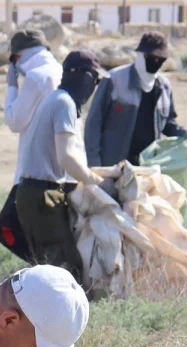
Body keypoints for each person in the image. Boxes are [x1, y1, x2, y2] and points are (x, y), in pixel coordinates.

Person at [15, 49, 110, 293]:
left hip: (35, 193)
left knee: (50, 268)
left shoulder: (56, 100)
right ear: (81, 76)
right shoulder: (64, 103)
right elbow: (66, 156)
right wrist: (93, 181)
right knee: (65, 272)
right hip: (43, 195)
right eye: (94, 79)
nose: (95, 86)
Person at [0, 28, 62, 264]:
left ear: (18, 58)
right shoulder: (59, 71)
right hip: (60, 165)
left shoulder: (35, 77)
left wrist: (12, 86)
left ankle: (42, 269)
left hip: (32, 170)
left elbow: (15, 121)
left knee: (6, 227)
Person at [85, 33, 187, 169]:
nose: (156, 62)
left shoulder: (164, 86)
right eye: (151, 58)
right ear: (140, 55)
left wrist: (186, 135)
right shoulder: (114, 80)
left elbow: (168, 123)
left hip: (147, 166)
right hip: (113, 167)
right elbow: (94, 123)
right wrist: (95, 164)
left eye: (160, 59)